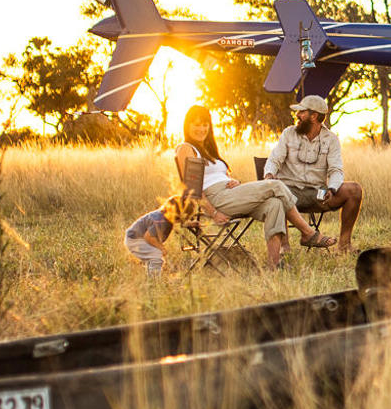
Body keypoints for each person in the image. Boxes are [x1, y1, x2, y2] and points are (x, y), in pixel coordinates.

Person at [174, 105, 333, 269]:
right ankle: (308, 233)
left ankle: (274, 265)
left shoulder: (208, 150)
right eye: (196, 124)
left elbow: (216, 175)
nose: (201, 129)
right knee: (276, 185)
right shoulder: (186, 148)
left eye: (205, 124)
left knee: (275, 204)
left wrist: (233, 181)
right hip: (217, 199)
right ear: (187, 125)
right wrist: (212, 212)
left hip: (231, 195)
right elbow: (192, 188)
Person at [264, 95, 364, 252]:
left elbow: (336, 170)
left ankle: (344, 245)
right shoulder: (288, 133)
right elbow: (274, 159)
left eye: (302, 112)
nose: (297, 115)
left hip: (319, 192)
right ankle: (284, 246)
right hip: (289, 191)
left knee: (354, 190)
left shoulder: (331, 139)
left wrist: (331, 189)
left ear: (314, 116)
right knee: (277, 192)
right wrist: (269, 174)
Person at [122, 193, 193, 278]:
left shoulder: (166, 215)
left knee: (154, 257)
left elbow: (175, 221)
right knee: (156, 255)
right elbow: (148, 237)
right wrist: (161, 247)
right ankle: (154, 281)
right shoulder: (161, 221)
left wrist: (188, 224)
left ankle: (151, 277)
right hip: (135, 240)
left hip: (137, 238)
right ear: (177, 215)